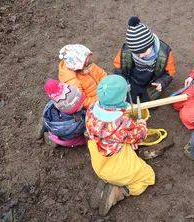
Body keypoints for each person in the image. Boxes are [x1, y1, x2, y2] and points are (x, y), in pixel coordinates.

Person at [85, 75, 155, 216]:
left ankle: (106, 180)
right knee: (148, 177)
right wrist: (141, 124)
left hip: (99, 159)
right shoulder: (122, 121)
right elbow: (140, 136)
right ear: (122, 98)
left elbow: (112, 133)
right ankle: (121, 191)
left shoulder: (92, 108)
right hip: (116, 163)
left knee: (112, 166)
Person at [113, 16, 175, 103]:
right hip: (133, 81)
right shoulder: (126, 51)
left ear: (151, 44)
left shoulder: (165, 52)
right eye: (137, 54)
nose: (141, 56)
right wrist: (122, 81)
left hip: (151, 83)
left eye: (144, 51)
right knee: (129, 101)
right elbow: (118, 68)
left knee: (151, 104)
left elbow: (169, 72)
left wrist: (162, 82)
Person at [39, 79, 86, 148]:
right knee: (83, 140)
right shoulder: (76, 123)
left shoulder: (54, 104)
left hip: (55, 127)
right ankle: (52, 139)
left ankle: (46, 125)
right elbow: (79, 132)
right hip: (64, 138)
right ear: (72, 110)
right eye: (80, 104)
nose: (82, 103)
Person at [58, 44, 107, 109]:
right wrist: (100, 100)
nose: (91, 68)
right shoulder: (73, 82)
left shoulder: (87, 64)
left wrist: (107, 84)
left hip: (102, 94)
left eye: (92, 64)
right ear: (77, 69)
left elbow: (101, 74)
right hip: (94, 104)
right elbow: (83, 101)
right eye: (87, 68)